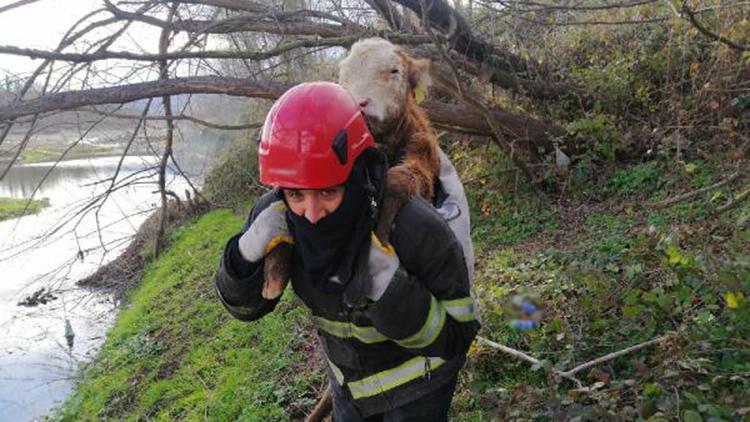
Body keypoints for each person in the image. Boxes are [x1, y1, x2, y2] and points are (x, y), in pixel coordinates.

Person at [214, 81, 479, 421]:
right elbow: (245, 308)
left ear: (356, 173)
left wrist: (388, 287)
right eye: (296, 195)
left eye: (327, 192)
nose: (311, 213)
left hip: (419, 390)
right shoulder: (278, 216)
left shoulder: (415, 227)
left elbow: (458, 337)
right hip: (349, 390)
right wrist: (244, 254)